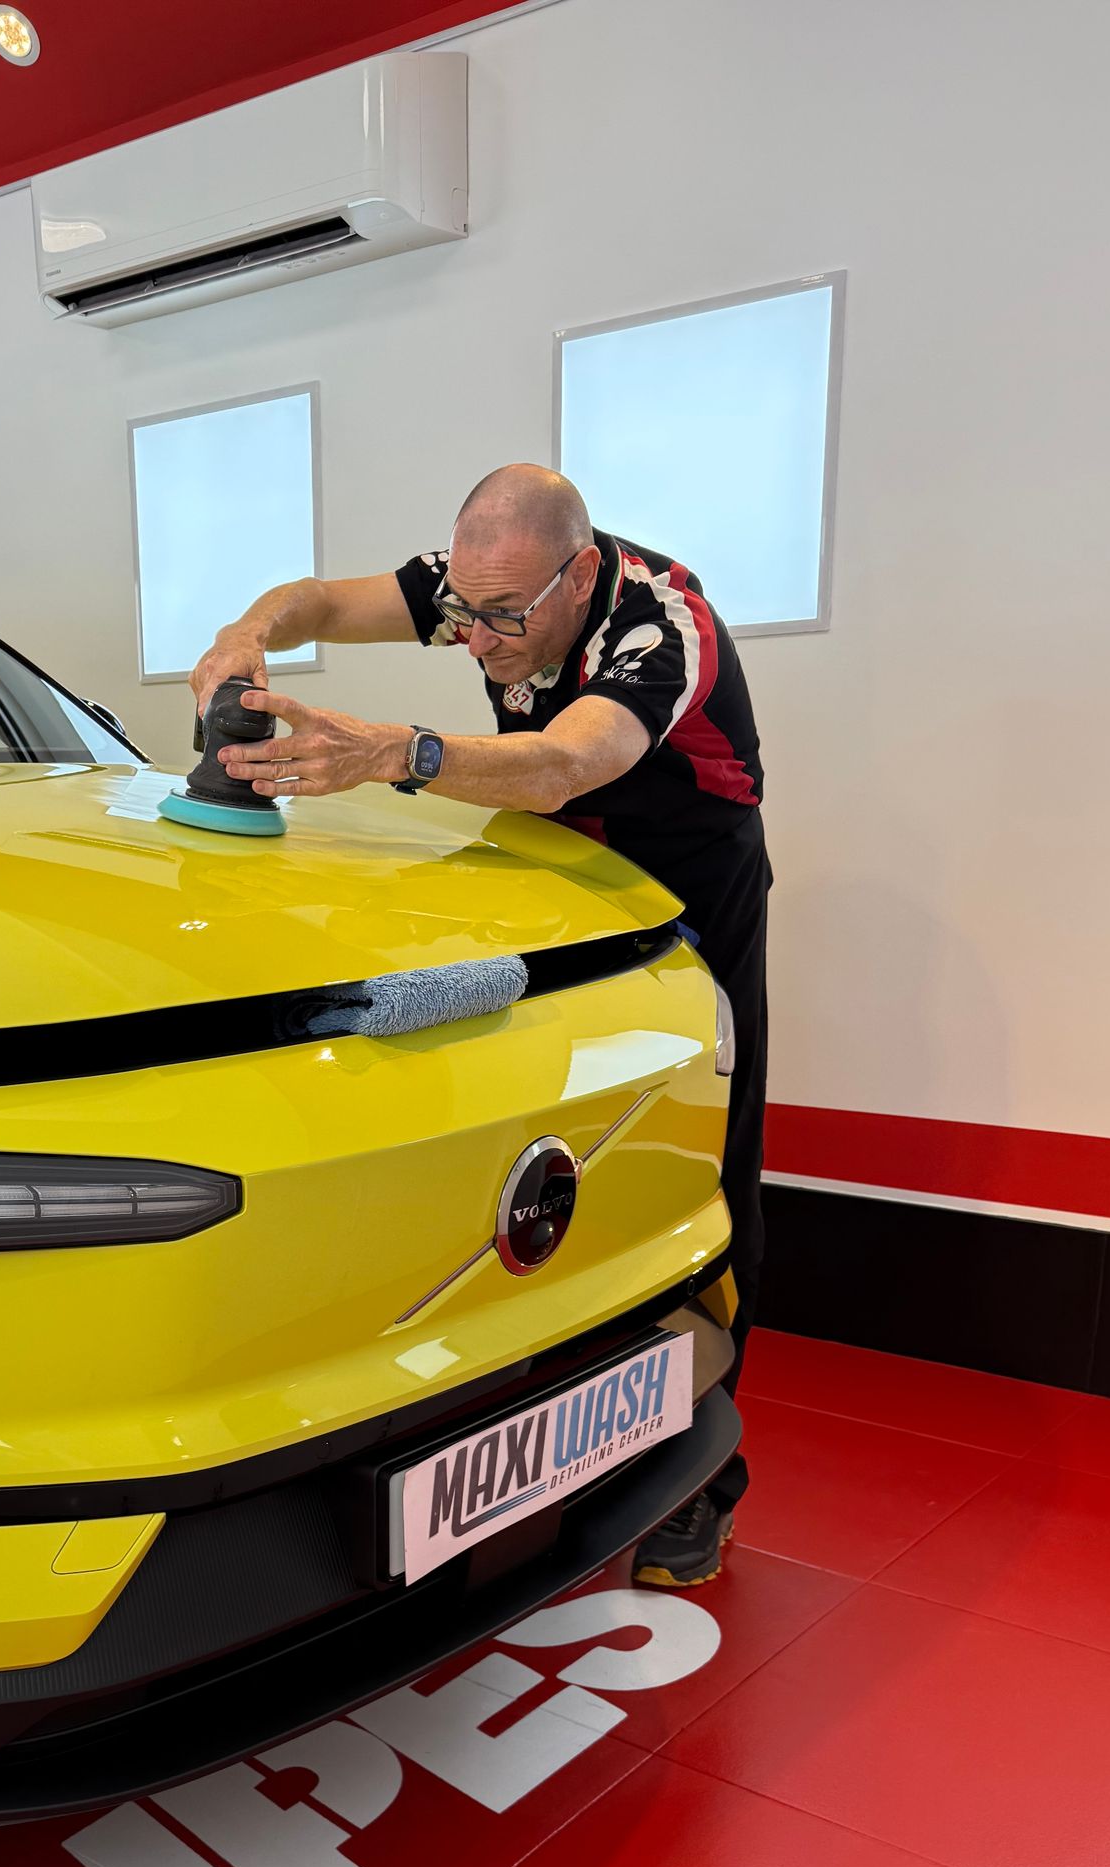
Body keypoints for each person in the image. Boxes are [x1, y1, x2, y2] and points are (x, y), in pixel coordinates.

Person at [191, 464, 767, 1587]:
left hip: (686, 888)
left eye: (509, 618)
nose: (483, 639)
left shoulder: (663, 622)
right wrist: (246, 632)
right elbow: (316, 600)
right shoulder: (476, 588)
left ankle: (706, 1480)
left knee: (708, 1167)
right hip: (549, 877)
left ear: (582, 573)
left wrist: (395, 752)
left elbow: (565, 762)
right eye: (468, 611)